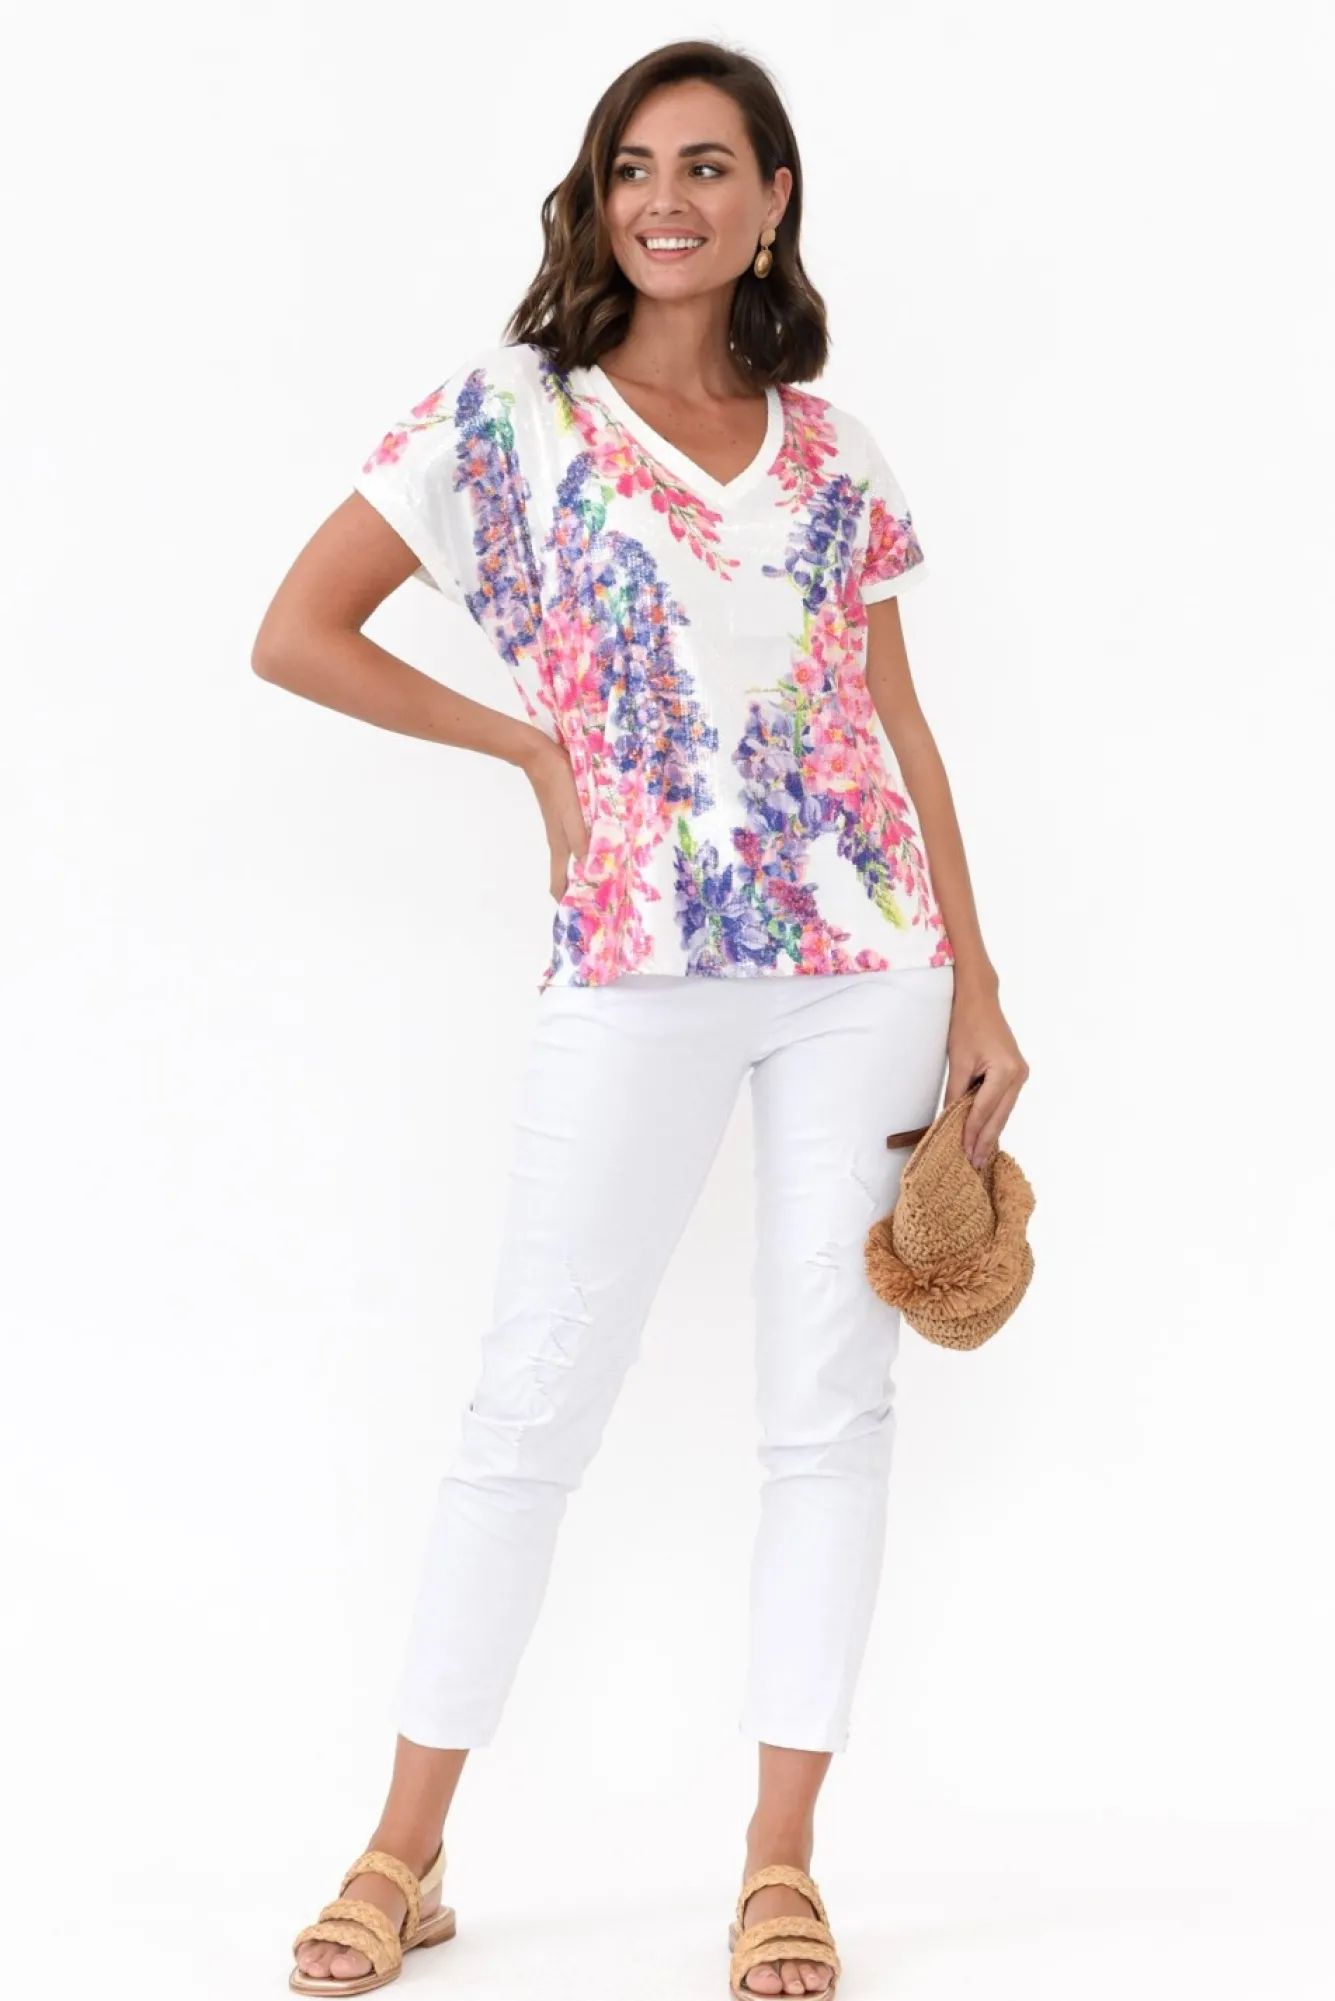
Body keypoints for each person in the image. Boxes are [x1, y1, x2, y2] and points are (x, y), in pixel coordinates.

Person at [252, 36, 1029, 2001]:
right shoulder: (508, 413)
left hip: (864, 959)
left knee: (827, 1409)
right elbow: (297, 633)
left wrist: (979, 984)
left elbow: (897, 725)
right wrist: (531, 750)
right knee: (532, 1398)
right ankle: (403, 1847)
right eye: (630, 167)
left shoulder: (834, 452)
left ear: (772, 199)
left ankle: (779, 1863)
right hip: (633, 957)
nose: (664, 198)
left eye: (705, 163)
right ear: (597, 202)